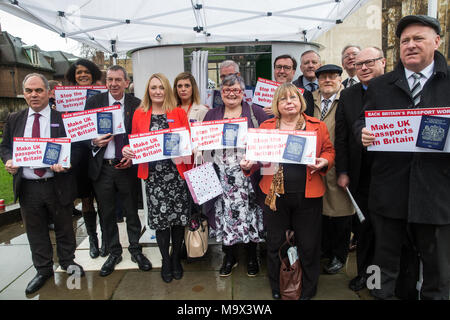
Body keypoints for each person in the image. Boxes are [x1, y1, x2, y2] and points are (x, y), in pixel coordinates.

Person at [356, 15, 450, 300]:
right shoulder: (380, 85)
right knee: (381, 265)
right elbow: (362, 118)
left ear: (437, 42)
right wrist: (362, 130)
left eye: (418, 38)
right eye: (405, 41)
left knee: (438, 269)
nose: (410, 45)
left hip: (436, 194)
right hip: (388, 193)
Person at [240, 83, 335, 300]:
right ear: (277, 104)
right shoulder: (265, 127)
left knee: (309, 245)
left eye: (293, 98)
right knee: (275, 244)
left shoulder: (317, 126)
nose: (289, 102)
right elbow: (255, 158)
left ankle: (308, 289)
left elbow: (329, 150)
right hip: (274, 196)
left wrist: (325, 161)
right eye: (283, 99)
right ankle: (278, 286)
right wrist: (248, 166)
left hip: (308, 196)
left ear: (300, 102)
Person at [0, 73, 84, 294]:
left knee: (65, 227)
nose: (34, 95)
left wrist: (65, 163)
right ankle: (43, 269)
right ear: (24, 93)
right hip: (28, 187)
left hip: (56, 184)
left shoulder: (63, 119)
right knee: (35, 230)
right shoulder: (14, 119)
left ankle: (68, 262)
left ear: (49, 92)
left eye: (38, 90)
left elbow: (77, 150)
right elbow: (5, 146)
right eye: (29, 90)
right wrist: (8, 159)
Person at [122, 73, 192, 283]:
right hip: (154, 177)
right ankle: (166, 261)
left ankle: (176, 259)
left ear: (167, 90)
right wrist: (127, 149)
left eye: (161, 87)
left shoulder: (178, 112)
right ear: (148, 91)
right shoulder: (140, 114)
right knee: (161, 223)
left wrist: (185, 149)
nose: (158, 91)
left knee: (178, 221)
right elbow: (132, 141)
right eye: (153, 88)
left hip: (177, 175)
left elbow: (188, 141)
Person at [85, 65, 152, 277]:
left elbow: (142, 134)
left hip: (127, 168)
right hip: (102, 168)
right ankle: (114, 252)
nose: (113, 84)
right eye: (110, 80)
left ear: (127, 82)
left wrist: (132, 155)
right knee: (106, 213)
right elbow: (82, 134)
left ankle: (135, 249)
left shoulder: (137, 104)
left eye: (118, 80)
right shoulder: (93, 103)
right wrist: (93, 141)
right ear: (106, 82)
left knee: (132, 211)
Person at [203, 74, 269, 277]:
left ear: (243, 93)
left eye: (236, 90)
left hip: (249, 178)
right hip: (220, 177)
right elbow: (203, 144)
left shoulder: (255, 112)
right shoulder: (212, 114)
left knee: (250, 216)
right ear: (221, 93)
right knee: (225, 217)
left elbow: (268, 141)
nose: (231, 93)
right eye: (226, 90)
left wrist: (254, 160)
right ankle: (229, 257)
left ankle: (251, 256)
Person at [335, 47, 386, 291]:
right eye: (359, 64)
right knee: (364, 230)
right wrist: (342, 171)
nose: (364, 67)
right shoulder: (348, 95)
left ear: (383, 62)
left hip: (391, 175)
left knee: (388, 231)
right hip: (359, 175)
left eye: (370, 62)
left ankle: (386, 279)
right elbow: (342, 137)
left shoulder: (396, 89)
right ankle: (367, 276)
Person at [311, 64, 355, 274]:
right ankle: (325, 250)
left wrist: (345, 170)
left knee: (341, 213)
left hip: (339, 164)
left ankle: (339, 254)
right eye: (323, 77)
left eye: (332, 77)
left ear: (340, 79)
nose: (327, 80)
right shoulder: (309, 99)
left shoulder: (347, 99)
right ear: (317, 81)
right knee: (320, 212)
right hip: (313, 165)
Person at [65, 58, 106, 258]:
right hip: (79, 156)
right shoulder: (68, 98)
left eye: (86, 72)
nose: (82, 75)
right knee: (87, 200)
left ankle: (107, 237)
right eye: (78, 72)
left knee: (105, 200)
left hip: (99, 153)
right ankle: (93, 239)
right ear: (74, 76)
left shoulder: (102, 95)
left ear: (92, 74)